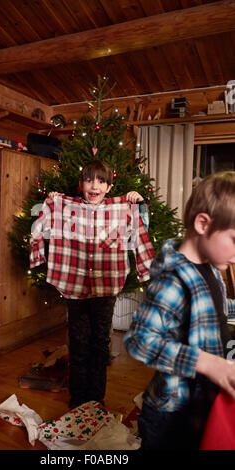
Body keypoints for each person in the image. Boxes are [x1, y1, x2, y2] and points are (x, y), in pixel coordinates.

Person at [30, 160, 154, 409]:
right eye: (89, 180)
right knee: (77, 343)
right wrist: (51, 202)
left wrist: (140, 204)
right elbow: (39, 227)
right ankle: (77, 400)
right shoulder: (64, 206)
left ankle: (97, 400)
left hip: (105, 288)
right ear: (81, 184)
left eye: (100, 181)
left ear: (109, 186)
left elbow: (141, 233)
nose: (94, 185)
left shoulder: (123, 208)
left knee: (100, 344)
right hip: (73, 286)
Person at [124, 171, 235, 450]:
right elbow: (139, 342)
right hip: (170, 413)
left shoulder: (210, 265)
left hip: (199, 402)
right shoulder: (172, 280)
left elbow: (212, 310)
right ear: (202, 224)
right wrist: (209, 363)